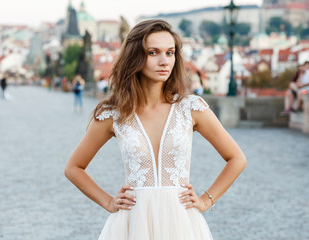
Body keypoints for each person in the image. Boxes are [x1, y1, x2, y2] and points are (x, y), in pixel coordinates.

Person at [64, 19, 246, 239]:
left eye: (170, 53)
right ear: (135, 57)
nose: (164, 61)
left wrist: (206, 199)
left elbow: (236, 158)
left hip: (181, 223)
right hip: (132, 223)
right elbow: (74, 167)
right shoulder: (114, 113)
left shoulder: (190, 108)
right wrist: (108, 201)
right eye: (153, 53)